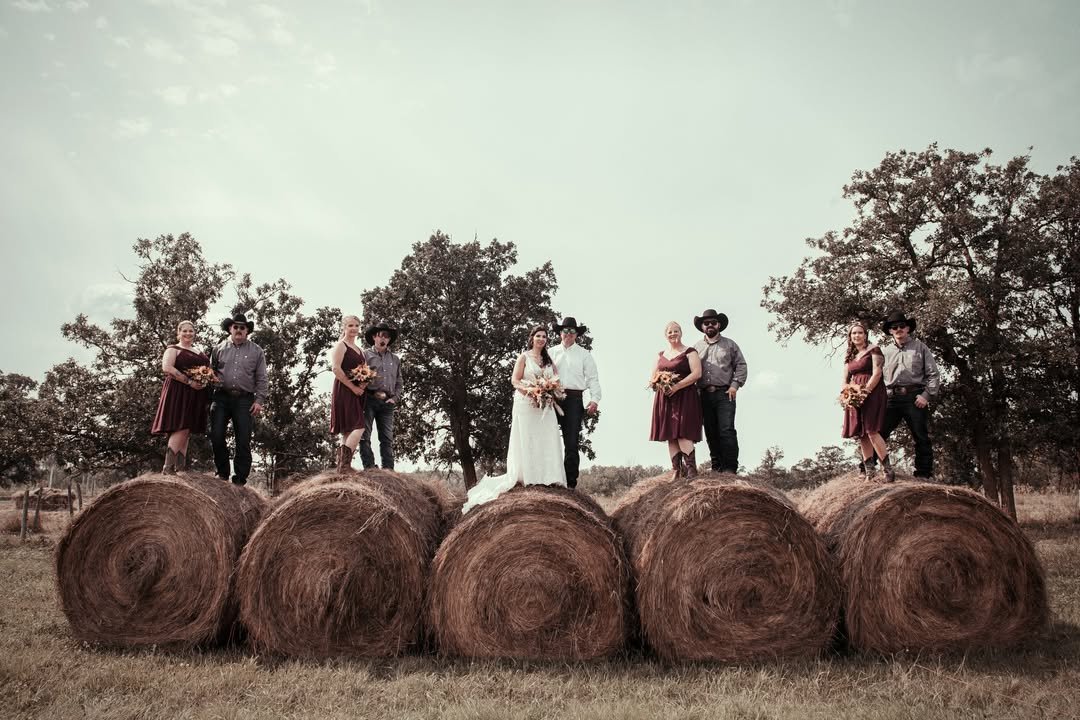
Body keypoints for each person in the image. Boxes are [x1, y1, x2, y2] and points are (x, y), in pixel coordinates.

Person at [462, 326, 567, 513]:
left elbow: (557, 381)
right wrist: (531, 391)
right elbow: (515, 380)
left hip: (545, 406)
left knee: (546, 438)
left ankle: (549, 476)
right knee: (527, 438)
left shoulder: (549, 360)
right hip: (526, 404)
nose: (541, 339)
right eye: (538, 336)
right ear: (532, 338)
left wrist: (549, 389)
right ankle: (529, 476)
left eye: (544, 336)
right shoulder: (524, 357)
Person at [209, 312, 268, 486]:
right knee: (216, 435)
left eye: (243, 328)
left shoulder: (257, 351)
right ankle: (222, 473)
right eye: (236, 327)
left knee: (243, 439)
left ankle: (240, 478)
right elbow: (209, 373)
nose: (239, 330)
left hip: (244, 400)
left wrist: (259, 400)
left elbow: (262, 378)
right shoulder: (218, 349)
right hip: (221, 397)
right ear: (230, 328)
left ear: (247, 331)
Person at [881, 310, 940, 480]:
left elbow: (933, 374)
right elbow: (877, 377)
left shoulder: (921, 348)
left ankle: (923, 473)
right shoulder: (884, 352)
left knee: (921, 436)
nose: (898, 329)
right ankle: (869, 468)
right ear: (890, 331)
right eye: (894, 327)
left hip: (914, 397)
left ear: (908, 328)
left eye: (901, 326)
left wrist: (926, 395)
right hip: (891, 399)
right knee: (879, 433)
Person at [152, 320, 212, 474]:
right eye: (184, 331)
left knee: (187, 429)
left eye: (191, 331)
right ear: (178, 333)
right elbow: (167, 368)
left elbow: (207, 370)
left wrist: (205, 380)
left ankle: (180, 468)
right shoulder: (173, 349)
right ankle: (168, 468)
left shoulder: (199, 351)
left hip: (196, 393)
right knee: (181, 426)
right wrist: (189, 382)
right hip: (178, 391)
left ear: (194, 333)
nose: (188, 333)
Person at [547, 317, 601, 489]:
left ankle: (570, 484)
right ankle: (548, 478)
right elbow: (543, 374)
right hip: (552, 398)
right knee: (547, 439)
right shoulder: (550, 353)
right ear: (560, 333)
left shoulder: (584, 355)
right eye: (565, 331)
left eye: (572, 331)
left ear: (576, 334)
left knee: (571, 443)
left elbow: (593, 379)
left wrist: (594, 399)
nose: (568, 334)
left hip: (574, 399)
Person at [693, 308, 748, 474]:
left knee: (726, 430)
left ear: (719, 325)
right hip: (703, 395)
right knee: (710, 431)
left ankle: (730, 468)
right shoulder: (696, 348)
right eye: (706, 323)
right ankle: (716, 467)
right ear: (702, 327)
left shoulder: (730, 345)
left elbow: (741, 365)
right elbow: (690, 370)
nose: (710, 325)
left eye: (713, 322)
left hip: (725, 393)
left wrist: (735, 385)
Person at [649, 321, 703, 478]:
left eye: (676, 331)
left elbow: (697, 373)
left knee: (683, 432)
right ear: (666, 335)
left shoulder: (690, 352)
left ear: (681, 332)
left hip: (685, 396)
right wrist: (658, 383)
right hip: (665, 398)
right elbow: (653, 377)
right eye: (670, 332)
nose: (673, 334)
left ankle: (691, 470)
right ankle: (677, 471)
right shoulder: (660, 355)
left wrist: (677, 386)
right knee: (670, 434)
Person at [840, 321, 893, 481]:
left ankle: (888, 471)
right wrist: (847, 395)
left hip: (873, 392)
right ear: (850, 336)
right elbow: (845, 379)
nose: (857, 335)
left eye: (860, 332)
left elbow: (877, 373)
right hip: (855, 395)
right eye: (854, 333)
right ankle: (870, 472)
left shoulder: (874, 350)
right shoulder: (850, 355)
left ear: (865, 335)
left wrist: (865, 392)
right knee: (862, 433)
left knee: (872, 431)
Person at [360, 320, 402, 471]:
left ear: (389, 339)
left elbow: (399, 381)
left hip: (387, 403)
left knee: (386, 438)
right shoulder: (365, 355)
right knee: (364, 435)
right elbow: (359, 378)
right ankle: (369, 466)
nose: (384, 338)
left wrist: (394, 398)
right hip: (369, 400)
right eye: (381, 335)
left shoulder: (395, 359)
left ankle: (388, 469)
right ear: (374, 337)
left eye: (387, 336)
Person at [329, 315, 369, 473]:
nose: (354, 328)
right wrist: (353, 388)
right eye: (350, 325)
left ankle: (342, 467)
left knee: (348, 430)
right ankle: (345, 466)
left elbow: (364, 372)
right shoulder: (341, 345)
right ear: (344, 327)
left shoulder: (360, 350)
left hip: (357, 392)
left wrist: (364, 384)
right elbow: (336, 369)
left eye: (356, 325)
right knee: (359, 426)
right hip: (345, 389)